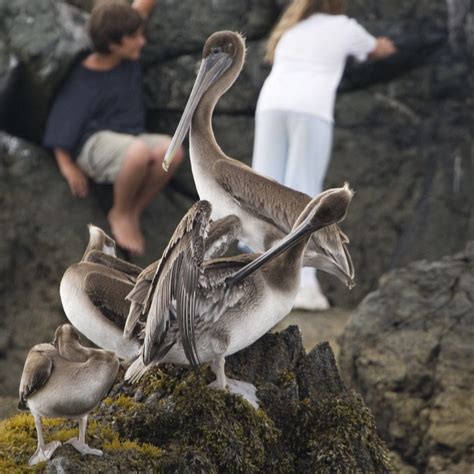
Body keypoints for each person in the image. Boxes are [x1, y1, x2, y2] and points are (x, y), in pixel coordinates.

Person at [252, 0, 396, 310]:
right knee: (303, 194)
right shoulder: (345, 28)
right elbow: (378, 50)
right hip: (310, 108)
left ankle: (253, 273)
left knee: (263, 190)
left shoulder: (292, 27)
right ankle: (301, 286)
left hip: (271, 104)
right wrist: (387, 46)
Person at [43, 0, 183, 256]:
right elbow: (60, 125)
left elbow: (139, 11)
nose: (142, 41)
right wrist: (67, 167)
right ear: (113, 44)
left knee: (171, 150)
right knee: (138, 152)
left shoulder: (127, 55)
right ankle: (120, 212)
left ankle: (132, 210)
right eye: (135, 37)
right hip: (93, 145)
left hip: (131, 138)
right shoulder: (82, 79)